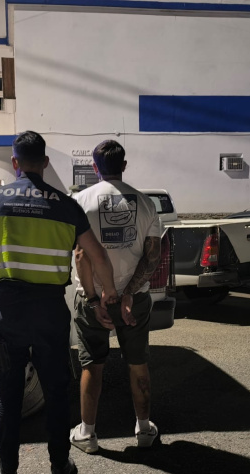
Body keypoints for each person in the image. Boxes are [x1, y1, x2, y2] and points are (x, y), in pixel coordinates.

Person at [0, 131, 118, 474]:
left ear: (14, 162)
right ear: (46, 162)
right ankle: (60, 469)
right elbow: (97, 256)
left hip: (9, 310)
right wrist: (107, 296)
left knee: (9, 392)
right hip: (50, 310)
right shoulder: (66, 206)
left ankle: (8, 473)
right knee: (55, 390)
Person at [71, 140, 162, 454]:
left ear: (94, 167)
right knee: (138, 363)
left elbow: (81, 255)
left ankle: (87, 434)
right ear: (124, 165)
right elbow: (152, 257)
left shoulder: (80, 201)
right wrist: (128, 294)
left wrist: (94, 300)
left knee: (92, 365)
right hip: (133, 301)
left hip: (92, 299)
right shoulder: (146, 204)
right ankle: (145, 430)